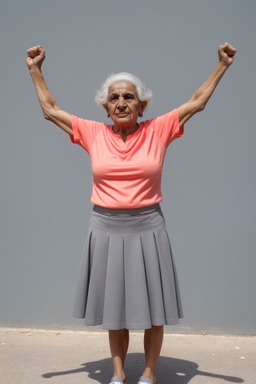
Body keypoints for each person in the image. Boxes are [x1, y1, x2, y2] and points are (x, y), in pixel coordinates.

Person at [26, 42, 236, 384]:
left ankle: (149, 374)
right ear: (106, 108)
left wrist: (221, 66)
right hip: (105, 229)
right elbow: (50, 109)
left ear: (142, 105)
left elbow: (197, 102)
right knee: (115, 309)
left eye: (128, 97)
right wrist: (35, 69)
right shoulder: (93, 133)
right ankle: (119, 374)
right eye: (114, 98)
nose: (121, 102)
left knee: (154, 308)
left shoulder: (159, 129)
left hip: (148, 227)